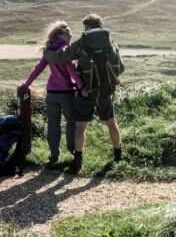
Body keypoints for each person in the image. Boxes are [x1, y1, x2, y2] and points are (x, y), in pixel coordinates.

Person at [42, 13, 124, 171]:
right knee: (111, 123)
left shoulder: (81, 43)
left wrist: (47, 53)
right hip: (105, 92)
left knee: (81, 127)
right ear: (100, 26)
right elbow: (120, 68)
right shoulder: (111, 43)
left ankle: (78, 161)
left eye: (84, 27)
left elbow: (61, 57)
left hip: (86, 92)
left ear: (87, 27)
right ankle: (118, 155)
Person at [18, 21, 86, 165]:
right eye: (69, 34)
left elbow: (38, 69)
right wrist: (81, 88)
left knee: (53, 124)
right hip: (67, 93)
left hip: (51, 93)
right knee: (71, 122)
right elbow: (72, 72)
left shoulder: (49, 51)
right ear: (61, 34)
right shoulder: (65, 51)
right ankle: (72, 150)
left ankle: (54, 154)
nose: (71, 37)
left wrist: (26, 85)